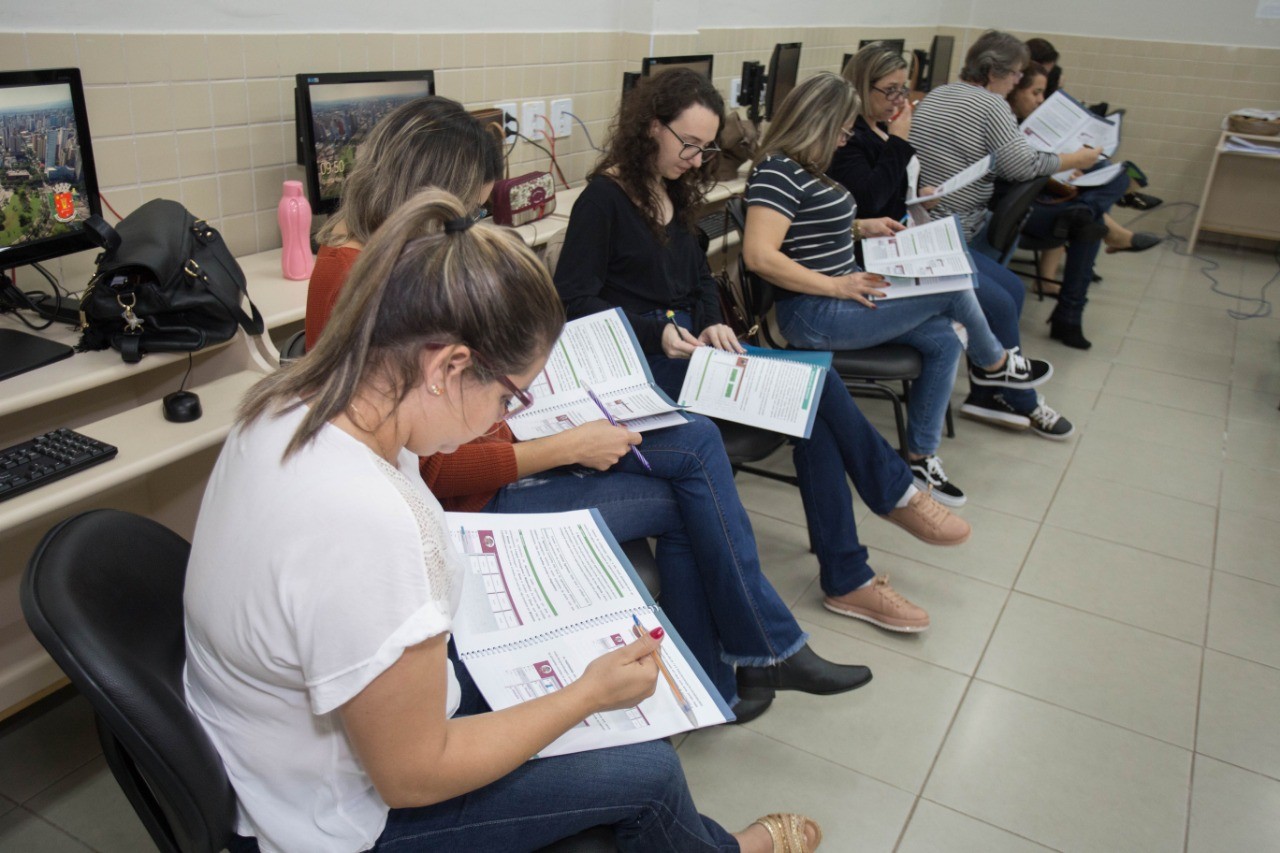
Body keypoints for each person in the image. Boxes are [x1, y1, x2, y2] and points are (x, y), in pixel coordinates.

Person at [185, 188, 824, 853]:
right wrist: (585, 695)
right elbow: (412, 773)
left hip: (272, 756)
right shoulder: (369, 521)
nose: (499, 419)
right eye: (506, 394)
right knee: (649, 769)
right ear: (447, 366)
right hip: (335, 819)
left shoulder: (292, 400)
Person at [305, 95, 880, 725]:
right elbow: (436, 471)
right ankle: (737, 667)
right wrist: (566, 446)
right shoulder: (375, 284)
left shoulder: (368, 263)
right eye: (466, 207)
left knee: (696, 448)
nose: (465, 224)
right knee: (692, 483)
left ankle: (733, 671)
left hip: (496, 452)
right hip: (472, 500)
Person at [554, 67, 973, 638]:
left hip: (693, 354)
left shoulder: (671, 188)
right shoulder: (603, 200)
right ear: (651, 129)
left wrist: (711, 327)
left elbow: (700, 282)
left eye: (706, 148)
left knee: (813, 411)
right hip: (639, 370)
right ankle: (888, 502)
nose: (698, 160)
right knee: (817, 388)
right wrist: (659, 331)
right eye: (690, 145)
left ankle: (851, 575)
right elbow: (573, 302)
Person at [739, 70, 1055, 504]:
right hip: (814, 313)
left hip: (842, 296)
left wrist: (859, 227)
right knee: (948, 287)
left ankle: (921, 456)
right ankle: (994, 362)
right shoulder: (777, 170)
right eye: (841, 132)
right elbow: (760, 255)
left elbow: (804, 228)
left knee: (943, 339)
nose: (844, 142)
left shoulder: (806, 168)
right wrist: (834, 286)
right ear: (819, 123)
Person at [828, 42, 1074, 440]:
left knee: (1010, 287)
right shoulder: (850, 137)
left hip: (911, 234)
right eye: (889, 90)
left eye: (902, 89)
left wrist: (920, 190)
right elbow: (867, 201)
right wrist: (899, 143)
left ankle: (990, 385)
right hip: (877, 256)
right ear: (860, 87)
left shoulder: (880, 126)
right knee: (991, 299)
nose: (898, 100)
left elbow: (889, 194)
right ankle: (1017, 395)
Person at [911, 30, 1113, 349]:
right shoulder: (992, 104)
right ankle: (985, 340)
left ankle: (983, 336)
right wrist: (1077, 158)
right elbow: (1022, 166)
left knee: (1013, 228)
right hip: (958, 228)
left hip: (929, 221)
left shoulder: (939, 93)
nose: (1017, 81)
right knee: (1018, 240)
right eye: (1017, 73)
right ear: (993, 72)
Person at [303, 95, 504, 352]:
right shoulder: (368, 282)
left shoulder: (361, 236)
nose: (468, 227)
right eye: (469, 212)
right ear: (425, 197)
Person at [1007, 62, 1161, 292]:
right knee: (1089, 215)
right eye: (1036, 92)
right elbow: (1024, 168)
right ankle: (1112, 213)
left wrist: (1067, 169)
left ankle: (1104, 206)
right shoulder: (1007, 124)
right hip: (1024, 203)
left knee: (1111, 175)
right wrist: (1069, 165)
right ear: (1014, 86)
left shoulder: (1026, 117)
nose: (1041, 100)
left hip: (1042, 189)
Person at [1025, 37, 1163, 211]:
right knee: (1093, 183)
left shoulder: (1051, 78)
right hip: (1042, 151)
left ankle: (1123, 194)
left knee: (1105, 163)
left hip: (1053, 143)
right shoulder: (1020, 90)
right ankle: (1121, 200)